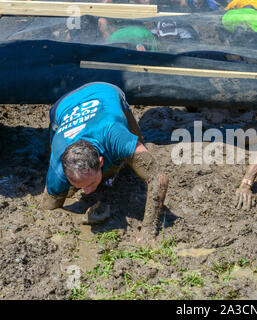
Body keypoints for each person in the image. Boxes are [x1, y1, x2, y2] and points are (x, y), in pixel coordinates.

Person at [40, 82, 169, 243]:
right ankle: (82, 182)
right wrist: (80, 219)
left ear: (100, 161)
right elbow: (48, 209)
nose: (87, 192)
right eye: (81, 186)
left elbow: (158, 177)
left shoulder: (115, 136)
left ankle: (114, 167)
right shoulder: (58, 168)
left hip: (105, 91)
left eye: (90, 183)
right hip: (63, 104)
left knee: (136, 150)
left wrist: (148, 230)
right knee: (63, 190)